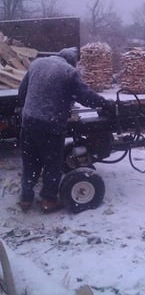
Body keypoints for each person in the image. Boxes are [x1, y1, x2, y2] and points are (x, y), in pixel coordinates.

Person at [17, 47, 115, 213]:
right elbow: (86, 96)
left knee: (30, 161)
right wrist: (105, 103)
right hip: (50, 125)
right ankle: (48, 200)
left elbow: (22, 92)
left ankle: (26, 198)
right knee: (52, 163)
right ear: (72, 61)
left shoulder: (37, 64)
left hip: (28, 122)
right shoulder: (69, 72)